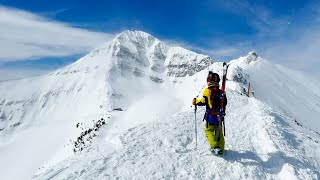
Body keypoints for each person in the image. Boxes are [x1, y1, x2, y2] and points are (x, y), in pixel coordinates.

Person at [192, 71, 227, 154]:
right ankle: (221, 147)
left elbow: (203, 101)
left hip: (211, 117)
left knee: (209, 131)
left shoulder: (208, 91)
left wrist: (195, 102)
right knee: (219, 132)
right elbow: (225, 103)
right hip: (220, 117)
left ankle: (214, 146)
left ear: (209, 81)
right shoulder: (221, 92)